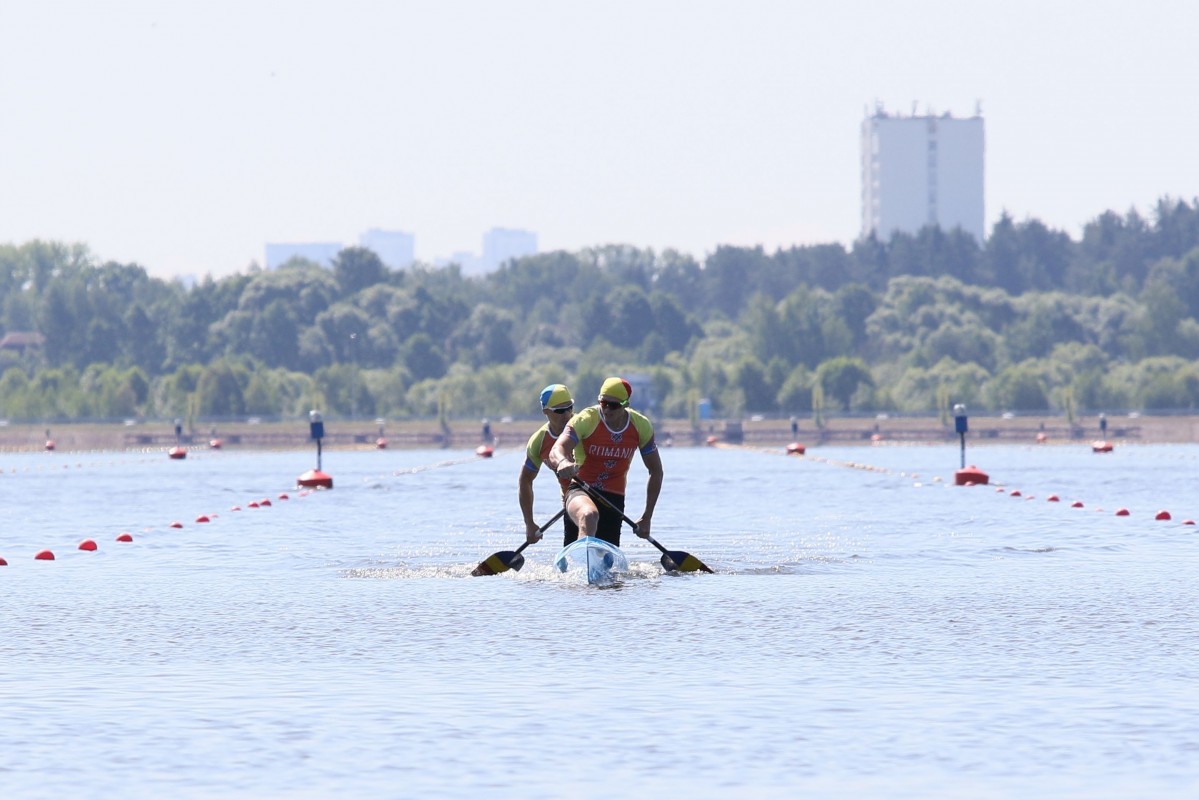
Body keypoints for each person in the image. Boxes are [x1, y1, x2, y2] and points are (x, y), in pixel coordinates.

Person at [550, 377, 663, 547]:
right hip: (581, 490)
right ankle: (584, 557)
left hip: (613, 500)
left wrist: (647, 517)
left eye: (614, 405)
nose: (608, 409)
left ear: (626, 404)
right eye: (604, 403)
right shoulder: (586, 419)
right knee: (589, 515)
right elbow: (557, 449)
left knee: (606, 558)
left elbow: (656, 471)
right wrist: (562, 462)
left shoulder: (641, 426)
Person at [519, 384, 580, 545]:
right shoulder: (539, 441)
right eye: (560, 411)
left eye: (569, 408)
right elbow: (525, 480)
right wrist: (529, 523)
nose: (567, 414)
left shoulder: (584, 425)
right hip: (570, 498)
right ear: (545, 411)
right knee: (573, 545)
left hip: (602, 493)